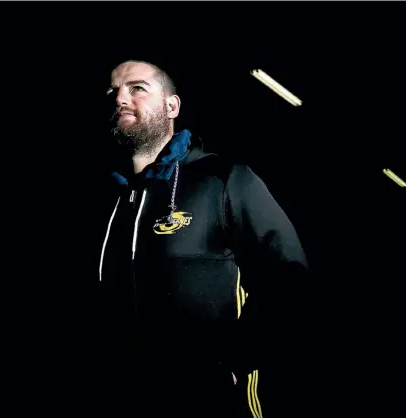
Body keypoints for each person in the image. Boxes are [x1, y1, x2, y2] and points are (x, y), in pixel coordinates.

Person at [97, 60, 309, 418]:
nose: (120, 97)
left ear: (171, 106)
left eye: (137, 88)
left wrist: (236, 356)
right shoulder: (110, 198)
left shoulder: (224, 179)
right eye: (112, 91)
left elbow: (289, 274)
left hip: (209, 399)